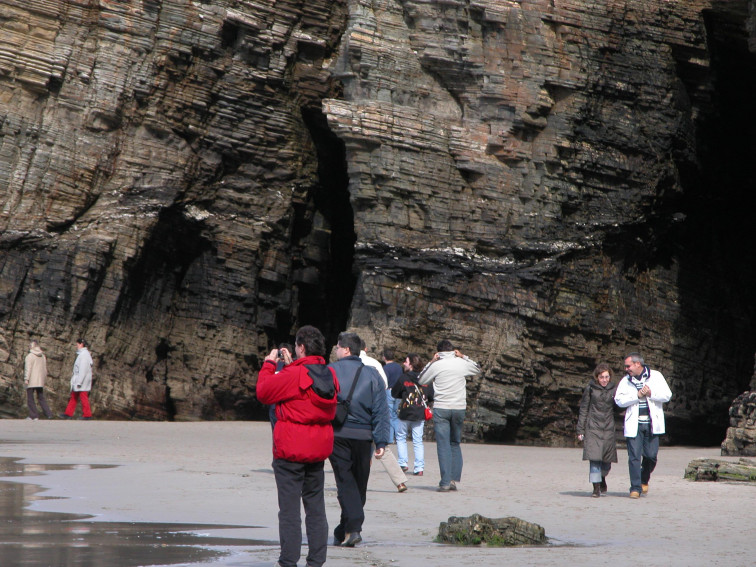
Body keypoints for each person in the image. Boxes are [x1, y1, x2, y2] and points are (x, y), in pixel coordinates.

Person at [256, 325, 339, 567]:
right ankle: (316, 561)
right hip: (317, 449)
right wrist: (292, 365)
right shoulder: (329, 375)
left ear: (301, 347)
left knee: (290, 510)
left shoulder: (294, 375)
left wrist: (270, 364)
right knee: (315, 508)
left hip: (290, 450)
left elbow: (264, 392)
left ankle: (288, 561)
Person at [328, 332, 390, 548]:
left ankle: (350, 528)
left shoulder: (331, 371)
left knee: (346, 482)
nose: (335, 351)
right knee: (358, 484)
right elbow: (382, 411)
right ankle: (348, 529)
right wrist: (381, 441)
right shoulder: (373, 374)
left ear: (346, 350)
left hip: (337, 435)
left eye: (337, 347)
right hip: (364, 437)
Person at [418, 339, 480, 492]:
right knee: (455, 443)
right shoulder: (461, 363)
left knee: (443, 445)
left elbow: (421, 379)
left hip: (442, 408)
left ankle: (445, 481)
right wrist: (463, 356)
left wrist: (431, 362)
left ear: (438, 352)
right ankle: (453, 480)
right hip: (459, 408)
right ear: (454, 350)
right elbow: (478, 368)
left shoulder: (437, 365)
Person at [614, 352, 672, 499]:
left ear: (637, 364)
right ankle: (635, 488)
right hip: (635, 425)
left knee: (651, 456)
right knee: (634, 457)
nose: (626, 369)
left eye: (628, 366)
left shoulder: (656, 376)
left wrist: (651, 393)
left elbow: (667, 395)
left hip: (652, 424)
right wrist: (637, 396)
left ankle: (643, 479)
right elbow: (619, 400)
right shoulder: (625, 381)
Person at [576, 363, 618, 497]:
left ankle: (602, 477)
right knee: (594, 459)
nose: (604, 380)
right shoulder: (590, 389)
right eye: (601, 377)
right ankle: (596, 488)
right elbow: (584, 409)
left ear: (610, 377)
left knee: (606, 461)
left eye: (607, 377)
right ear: (597, 377)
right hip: (593, 427)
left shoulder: (615, 390)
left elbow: (620, 407)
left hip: (608, 428)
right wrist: (580, 430)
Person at [391, 353, 433, 476]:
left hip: (405, 412)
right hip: (419, 413)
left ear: (411, 364)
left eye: (406, 361)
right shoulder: (426, 378)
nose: (404, 363)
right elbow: (431, 395)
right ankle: (419, 467)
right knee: (418, 440)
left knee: (400, 437)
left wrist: (404, 396)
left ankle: (403, 463)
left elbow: (394, 393)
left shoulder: (403, 378)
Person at [60, 339, 93, 420]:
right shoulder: (83, 354)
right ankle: (68, 413)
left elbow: (83, 369)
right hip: (80, 380)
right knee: (74, 396)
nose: (76, 346)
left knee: (83, 396)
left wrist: (79, 382)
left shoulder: (84, 355)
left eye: (77, 344)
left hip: (81, 380)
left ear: (81, 344)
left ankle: (87, 414)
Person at [23, 340, 53, 420]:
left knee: (30, 398)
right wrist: (44, 379)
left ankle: (34, 415)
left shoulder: (30, 356)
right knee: (41, 397)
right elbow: (44, 369)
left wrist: (26, 379)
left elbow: (28, 369)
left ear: (31, 346)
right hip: (40, 380)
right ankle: (49, 414)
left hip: (32, 380)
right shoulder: (42, 356)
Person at [382, 347, 403, 443]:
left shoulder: (385, 368)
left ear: (384, 357)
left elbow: (384, 382)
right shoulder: (399, 367)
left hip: (389, 391)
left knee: (389, 415)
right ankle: (398, 437)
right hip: (398, 392)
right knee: (395, 415)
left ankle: (390, 439)